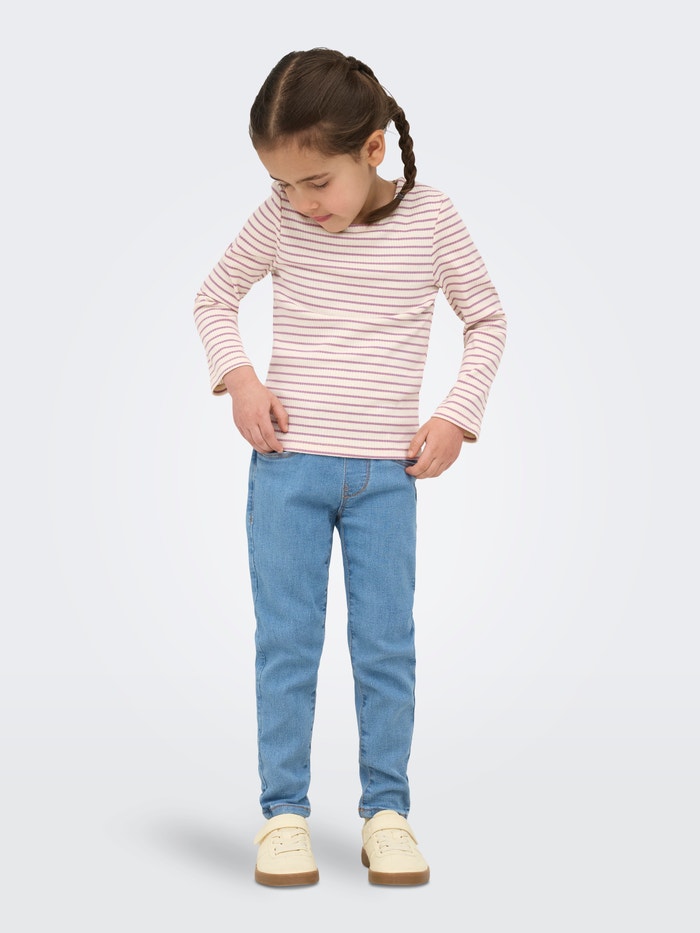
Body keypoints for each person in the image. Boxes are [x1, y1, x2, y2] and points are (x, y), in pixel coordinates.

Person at [193, 48, 507, 887]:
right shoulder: (280, 218)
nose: (301, 202)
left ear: (372, 149)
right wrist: (240, 378)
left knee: (385, 645)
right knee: (287, 643)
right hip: (286, 470)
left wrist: (456, 413)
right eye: (282, 184)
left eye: (316, 182)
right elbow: (214, 296)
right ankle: (283, 815)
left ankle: (387, 812)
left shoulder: (433, 218)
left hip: (386, 479)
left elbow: (487, 318)